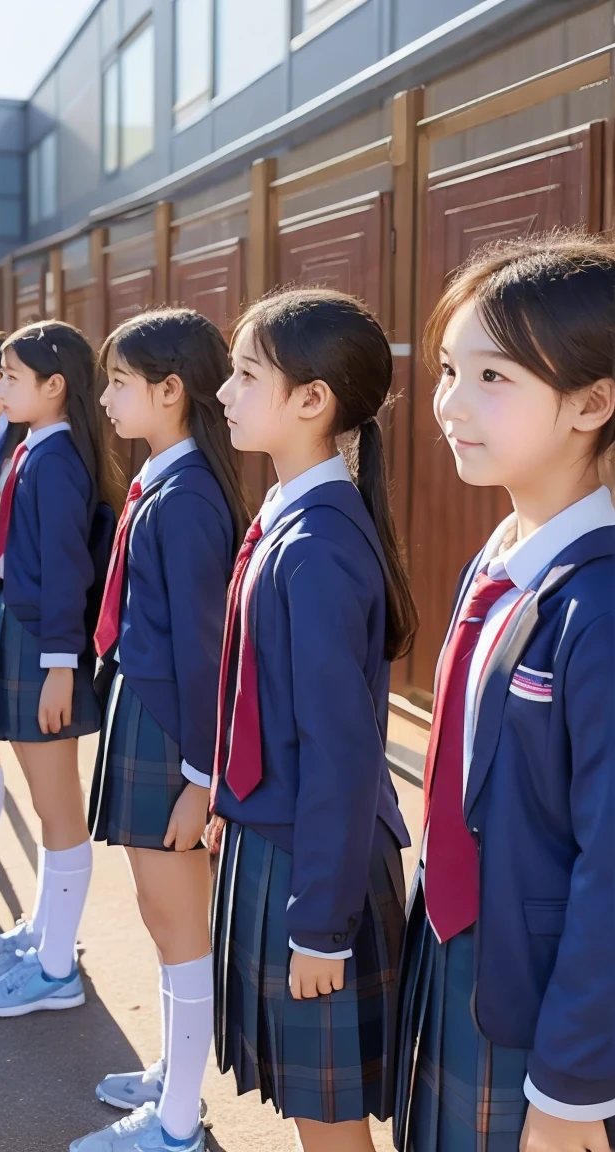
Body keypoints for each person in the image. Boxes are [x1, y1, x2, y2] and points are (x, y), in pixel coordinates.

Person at [394, 235, 615, 1152]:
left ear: (592, 402)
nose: (449, 404)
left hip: (545, 1000)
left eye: (494, 377)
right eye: (450, 369)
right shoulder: (501, 557)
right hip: (461, 954)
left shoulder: (598, 605)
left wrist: (572, 1089)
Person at [209, 289, 417, 1152]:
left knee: (330, 1127)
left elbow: (343, 756)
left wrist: (320, 925)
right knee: (314, 1115)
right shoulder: (293, 515)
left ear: (312, 401)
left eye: (245, 374)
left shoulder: (319, 541)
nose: (222, 393)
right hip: (286, 840)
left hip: (313, 862)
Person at [71, 310, 249, 1152]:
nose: (103, 400)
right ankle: (174, 1075)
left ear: (172, 391)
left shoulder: (186, 497)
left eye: (118, 383)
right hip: (148, 713)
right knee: (160, 914)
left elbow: (207, 651)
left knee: (177, 922)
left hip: (172, 730)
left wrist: (203, 775)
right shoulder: (164, 482)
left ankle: (178, 1120)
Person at [0, 320, 113, 1018]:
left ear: (55, 387)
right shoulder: (34, 446)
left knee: (58, 812)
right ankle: (45, 935)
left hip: (39, 642)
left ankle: (57, 969)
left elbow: (65, 571)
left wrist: (60, 666)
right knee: (45, 804)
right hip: (17, 629)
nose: (3, 387)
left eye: (14, 377)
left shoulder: (55, 460)